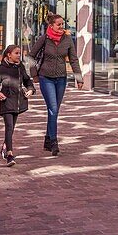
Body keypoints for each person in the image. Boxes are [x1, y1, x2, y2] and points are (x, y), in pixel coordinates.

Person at [29, 13, 82, 156]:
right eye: (58, 24)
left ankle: (47, 139)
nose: (61, 27)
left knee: (55, 110)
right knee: (53, 109)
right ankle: (54, 141)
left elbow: (74, 60)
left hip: (61, 79)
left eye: (62, 24)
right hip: (46, 78)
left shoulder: (67, 39)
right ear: (51, 26)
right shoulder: (44, 39)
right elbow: (31, 57)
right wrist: (34, 75)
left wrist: (79, 78)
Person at [0, 44, 34, 167]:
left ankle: (4, 147)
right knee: (9, 127)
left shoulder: (20, 66)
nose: (19, 55)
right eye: (16, 53)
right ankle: (10, 155)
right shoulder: (2, 68)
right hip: (6, 101)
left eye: (19, 53)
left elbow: (27, 80)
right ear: (9, 55)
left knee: (11, 128)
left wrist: (30, 89)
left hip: (18, 101)